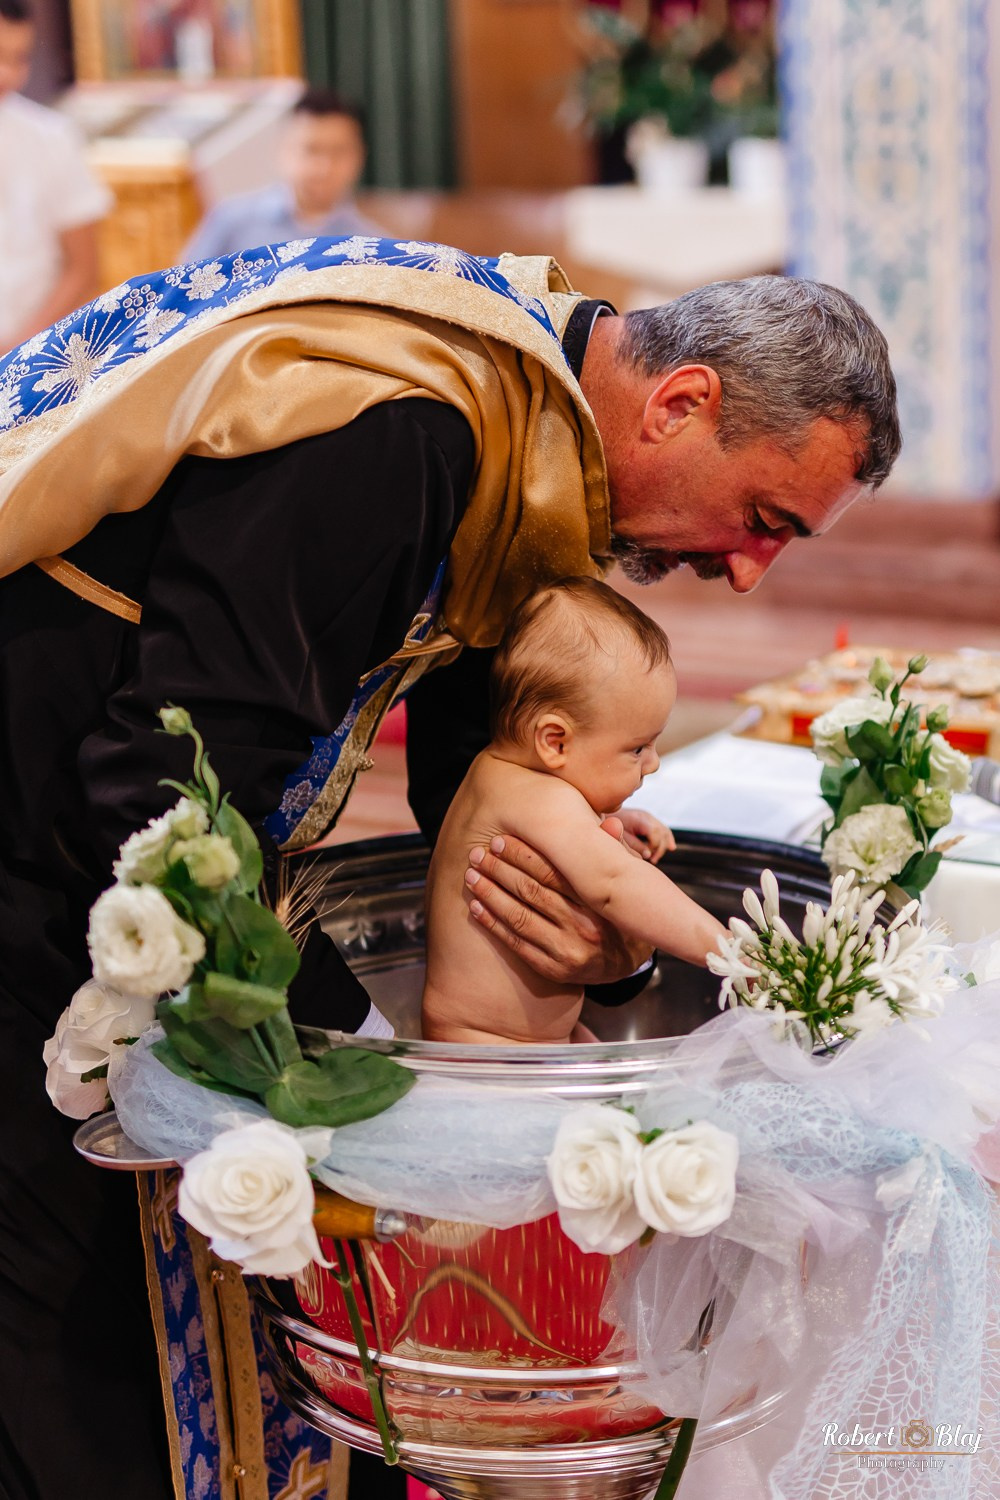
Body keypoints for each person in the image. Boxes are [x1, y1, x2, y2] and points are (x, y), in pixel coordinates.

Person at [0, 240, 901, 1499]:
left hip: (124, 858)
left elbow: (475, 778)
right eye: (761, 521)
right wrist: (368, 1057)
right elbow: (155, 783)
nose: (749, 572)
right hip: (47, 874)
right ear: (681, 401)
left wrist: (604, 928)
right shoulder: (403, 426)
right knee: (88, 1379)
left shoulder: (522, 419)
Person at [422, 577, 726, 1046]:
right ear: (555, 742)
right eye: (637, 748)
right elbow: (616, 884)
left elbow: (560, 826)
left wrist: (609, 819)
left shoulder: (502, 778)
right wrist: (730, 951)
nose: (654, 763)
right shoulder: (537, 796)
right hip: (485, 1050)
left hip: (521, 1039)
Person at [0, 0, 111, 352]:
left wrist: (19, 350)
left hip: (29, 352)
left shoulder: (51, 137)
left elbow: (83, 270)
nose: (8, 74)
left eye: (20, 58)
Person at [183, 87, 379, 262]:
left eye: (339, 151)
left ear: (360, 156)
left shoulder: (371, 243)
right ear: (284, 150)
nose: (324, 167)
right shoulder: (230, 220)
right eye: (311, 149)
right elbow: (184, 289)